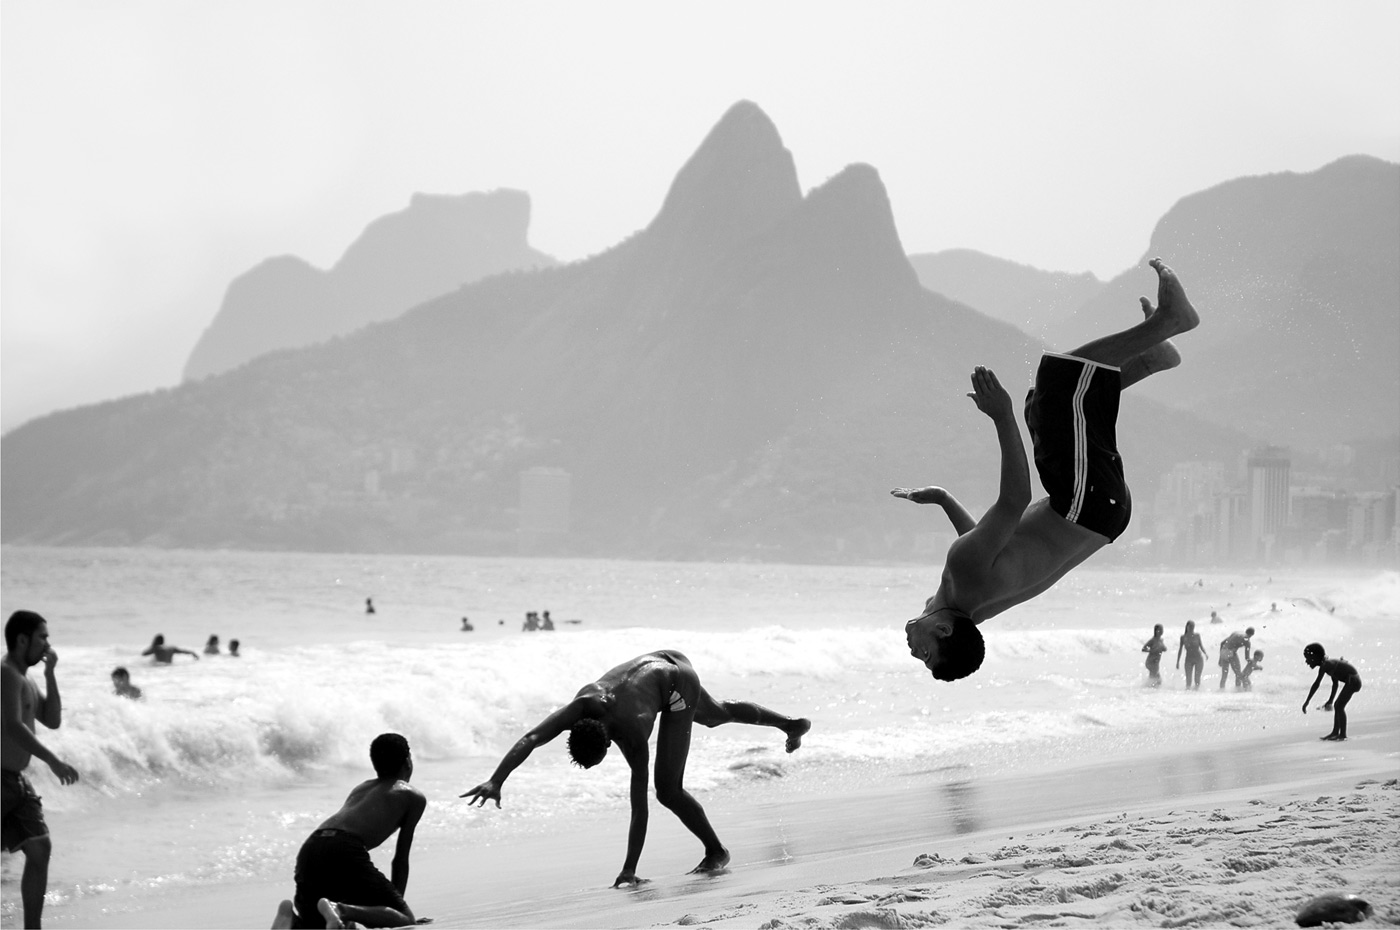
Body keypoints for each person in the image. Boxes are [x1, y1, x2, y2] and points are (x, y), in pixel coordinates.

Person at [895, 258, 1200, 681]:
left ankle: (1152, 359)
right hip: (1082, 503)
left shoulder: (970, 602)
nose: (915, 653)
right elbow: (1014, 500)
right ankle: (1170, 322)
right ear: (944, 630)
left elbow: (987, 540)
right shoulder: (963, 576)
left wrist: (945, 499)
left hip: (1101, 515)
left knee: (1041, 406)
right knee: (1057, 380)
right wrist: (1000, 415)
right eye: (926, 655)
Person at [461, 649, 811, 886]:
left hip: (675, 684)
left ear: (608, 744)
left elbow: (639, 807)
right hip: (665, 658)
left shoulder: (632, 733)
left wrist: (629, 870)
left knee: (668, 791)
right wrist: (496, 779)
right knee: (716, 714)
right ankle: (791, 723)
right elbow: (533, 737)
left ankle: (716, 851)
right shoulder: (582, 705)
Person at [272, 733, 426, 930]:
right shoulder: (412, 796)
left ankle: (292, 920)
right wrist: (396, 909)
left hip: (313, 845)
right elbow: (400, 859)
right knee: (404, 920)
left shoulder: (362, 787)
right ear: (407, 761)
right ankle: (341, 910)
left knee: (321, 924)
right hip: (343, 847)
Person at [3, 611, 81, 929]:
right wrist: (53, 760)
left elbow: (52, 719)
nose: (48, 643)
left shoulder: (27, 678)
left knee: (39, 848)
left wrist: (50, 674)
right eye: (42, 637)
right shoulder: (6, 674)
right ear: (23, 640)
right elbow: (13, 725)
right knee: (38, 848)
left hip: (15, 782)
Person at [1301, 643, 1361, 741]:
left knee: (1339, 706)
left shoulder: (1326, 665)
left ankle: (1342, 734)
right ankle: (1335, 732)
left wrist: (1307, 701)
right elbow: (1335, 683)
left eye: (1308, 658)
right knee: (1337, 705)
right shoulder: (1328, 664)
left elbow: (1316, 684)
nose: (1306, 662)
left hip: (1353, 681)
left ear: (1315, 657)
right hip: (1352, 680)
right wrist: (1330, 701)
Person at [1175, 620, 1207, 690]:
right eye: (1190, 626)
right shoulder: (1183, 637)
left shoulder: (1197, 635)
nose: (1192, 628)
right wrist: (1178, 662)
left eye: (1193, 626)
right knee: (1188, 681)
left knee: (1197, 679)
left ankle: (1196, 695)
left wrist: (1205, 654)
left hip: (1198, 658)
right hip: (1188, 659)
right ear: (1187, 627)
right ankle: (1188, 696)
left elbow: (1201, 646)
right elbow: (1180, 649)